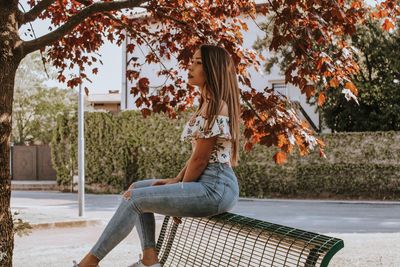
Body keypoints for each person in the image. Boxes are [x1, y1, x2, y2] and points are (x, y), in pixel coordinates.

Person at [74, 44, 241, 267]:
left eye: (198, 62)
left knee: (135, 200)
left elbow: (201, 160)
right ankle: (150, 261)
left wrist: (180, 193)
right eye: (191, 61)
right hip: (207, 184)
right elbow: (196, 157)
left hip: (216, 188)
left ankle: (90, 263)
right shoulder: (206, 105)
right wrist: (176, 182)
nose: (190, 66)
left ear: (213, 69)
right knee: (136, 189)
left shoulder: (216, 107)